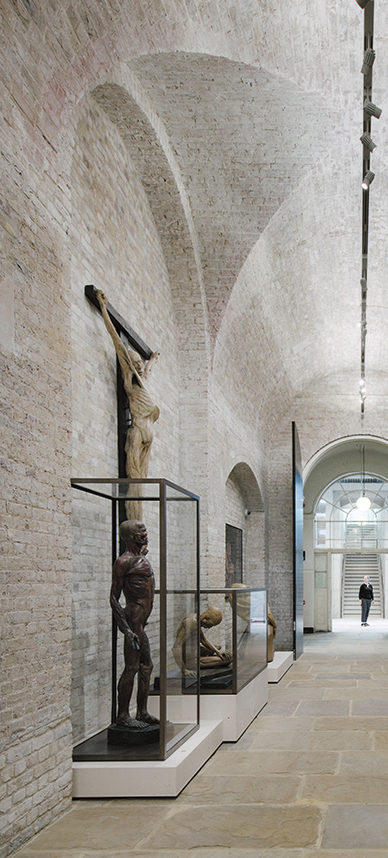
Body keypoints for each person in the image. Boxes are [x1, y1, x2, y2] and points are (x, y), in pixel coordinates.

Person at [96, 288, 160, 520]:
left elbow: (149, 371)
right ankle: (134, 527)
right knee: (134, 485)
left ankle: (138, 528)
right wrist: (104, 309)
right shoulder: (131, 384)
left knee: (141, 485)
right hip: (137, 435)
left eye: (140, 365)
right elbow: (117, 342)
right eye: (137, 364)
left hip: (147, 436)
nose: (140, 367)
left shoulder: (143, 381)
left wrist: (151, 359)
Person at [109, 519, 159, 728]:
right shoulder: (124, 561)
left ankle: (142, 711)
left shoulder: (139, 557)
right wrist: (126, 630)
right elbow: (113, 598)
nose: (145, 535)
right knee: (131, 667)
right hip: (134, 616)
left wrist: (142, 548)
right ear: (129, 537)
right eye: (141, 532)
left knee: (146, 666)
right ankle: (122, 715)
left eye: (145, 531)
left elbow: (143, 549)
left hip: (142, 621)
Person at [172, 606, 233, 676]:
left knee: (218, 648)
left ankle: (213, 653)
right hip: (192, 661)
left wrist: (218, 652)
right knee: (231, 658)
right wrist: (184, 670)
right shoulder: (192, 622)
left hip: (195, 652)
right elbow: (176, 648)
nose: (209, 628)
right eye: (210, 625)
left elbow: (203, 639)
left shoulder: (196, 619)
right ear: (205, 619)